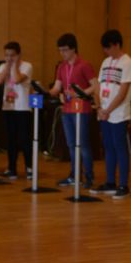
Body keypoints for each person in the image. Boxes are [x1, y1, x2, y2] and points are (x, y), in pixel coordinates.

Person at [89, 29, 131, 199]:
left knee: (119, 147)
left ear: (116, 45)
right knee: (108, 147)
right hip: (104, 112)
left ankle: (123, 184)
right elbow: (98, 87)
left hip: (118, 113)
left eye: (108, 48)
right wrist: (99, 107)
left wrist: (108, 110)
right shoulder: (105, 62)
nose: (106, 52)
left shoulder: (128, 63)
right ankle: (110, 182)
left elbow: (122, 92)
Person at [48, 33, 97, 188]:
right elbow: (57, 87)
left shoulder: (84, 65)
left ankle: (88, 176)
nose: (62, 53)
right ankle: (74, 175)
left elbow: (95, 85)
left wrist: (79, 93)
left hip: (81, 109)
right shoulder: (61, 67)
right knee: (70, 144)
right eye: (60, 50)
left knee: (82, 143)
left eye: (65, 50)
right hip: (67, 110)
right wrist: (44, 92)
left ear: (73, 49)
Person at [0, 41, 33, 180]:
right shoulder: (2, 66)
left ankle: (29, 167)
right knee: (11, 139)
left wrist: (15, 65)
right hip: (8, 106)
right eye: (6, 55)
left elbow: (17, 79)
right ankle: (11, 169)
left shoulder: (27, 66)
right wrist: (8, 66)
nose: (9, 58)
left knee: (24, 139)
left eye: (12, 55)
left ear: (18, 54)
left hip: (22, 107)